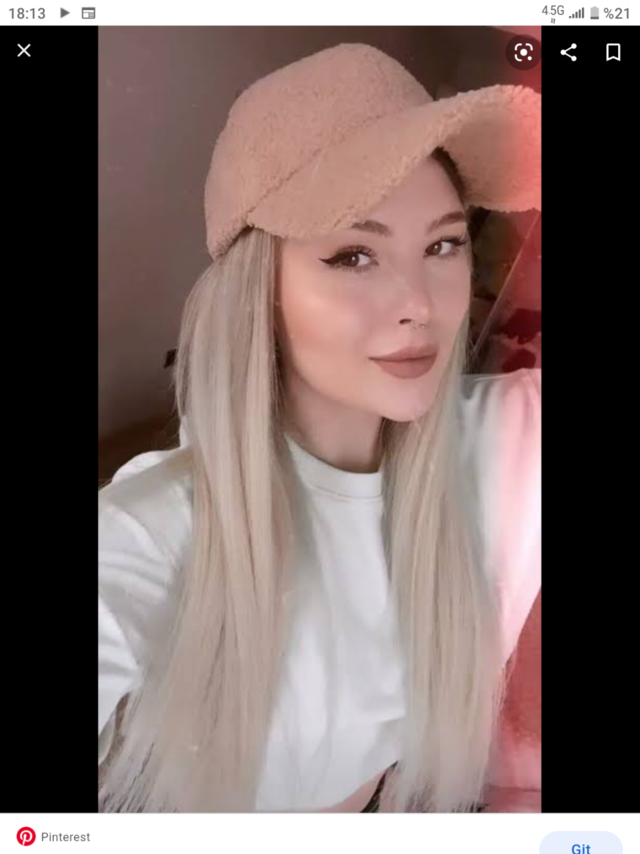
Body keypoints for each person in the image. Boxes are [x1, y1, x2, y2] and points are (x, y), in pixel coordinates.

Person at [98, 42, 541, 813]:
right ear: (257, 289)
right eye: (354, 256)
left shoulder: (497, 443)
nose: (419, 303)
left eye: (442, 244)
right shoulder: (150, 535)